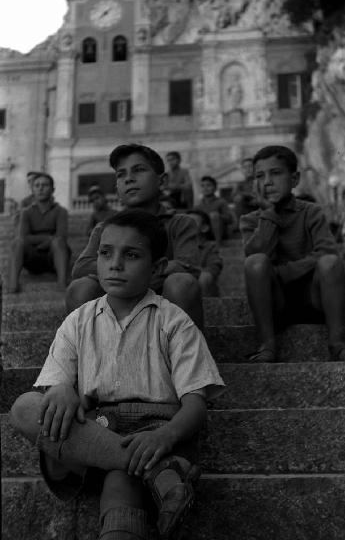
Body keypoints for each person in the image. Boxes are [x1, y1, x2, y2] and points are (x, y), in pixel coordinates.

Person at [10, 209, 225, 540]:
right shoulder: (77, 321)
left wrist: (165, 437)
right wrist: (62, 389)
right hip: (97, 434)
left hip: (157, 433)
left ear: (156, 269)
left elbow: (196, 406)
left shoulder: (174, 322)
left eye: (131, 255)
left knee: (118, 486)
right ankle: (160, 474)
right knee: (25, 406)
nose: (115, 264)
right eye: (106, 253)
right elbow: (56, 383)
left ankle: (151, 466)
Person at [240, 145, 345, 363]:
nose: (268, 181)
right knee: (255, 262)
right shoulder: (251, 220)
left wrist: (283, 272)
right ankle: (268, 344)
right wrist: (269, 214)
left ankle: (337, 343)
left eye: (276, 173)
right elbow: (256, 261)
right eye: (260, 176)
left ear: (295, 179)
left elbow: (327, 251)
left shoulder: (310, 212)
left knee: (330, 262)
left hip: (315, 298)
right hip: (275, 304)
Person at [66, 144, 203, 329]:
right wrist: (132, 274)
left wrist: (129, 273)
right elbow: (81, 267)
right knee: (80, 288)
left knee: (181, 282)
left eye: (138, 170)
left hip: (164, 302)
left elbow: (187, 266)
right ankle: (91, 356)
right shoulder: (105, 228)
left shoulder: (180, 223)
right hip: (118, 301)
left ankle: (183, 355)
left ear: (161, 181)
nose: (129, 179)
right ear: (117, 189)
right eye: (121, 174)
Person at [9, 173, 70, 293]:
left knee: (58, 242)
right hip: (32, 258)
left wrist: (47, 240)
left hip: (52, 258)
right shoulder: (26, 212)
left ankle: (62, 283)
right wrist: (50, 238)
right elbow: (23, 237)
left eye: (45, 185)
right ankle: (12, 285)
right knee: (17, 242)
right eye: (37, 185)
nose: (40, 188)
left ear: (52, 189)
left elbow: (61, 236)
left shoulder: (61, 211)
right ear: (32, 189)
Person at [187, 209, 223, 297]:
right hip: (180, 285)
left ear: (204, 228)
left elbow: (214, 266)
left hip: (200, 284)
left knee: (205, 276)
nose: (187, 225)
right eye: (185, 222)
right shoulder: (175, 245)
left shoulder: (210, 246)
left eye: (192, 222)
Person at [195, 176, 233, 245]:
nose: (205, 188)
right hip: (204, 231)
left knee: (214, 215)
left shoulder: (221, 202)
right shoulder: (198, 205)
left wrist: (217, 216)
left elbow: (229, 219)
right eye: (203, 186)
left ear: (215, 188)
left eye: (208, 185)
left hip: (219, 231)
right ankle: (197, 244)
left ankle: (218, 244)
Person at [232, 158, 258, 222]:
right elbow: (234, 196)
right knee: (238, 198)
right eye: (245, 167)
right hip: (245, 208)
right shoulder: (239, 184)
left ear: (255, 168)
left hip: (259, 208)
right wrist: (247, 195)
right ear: (242, 170)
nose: (248, 169)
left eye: (250, 166)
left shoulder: (260, 181)